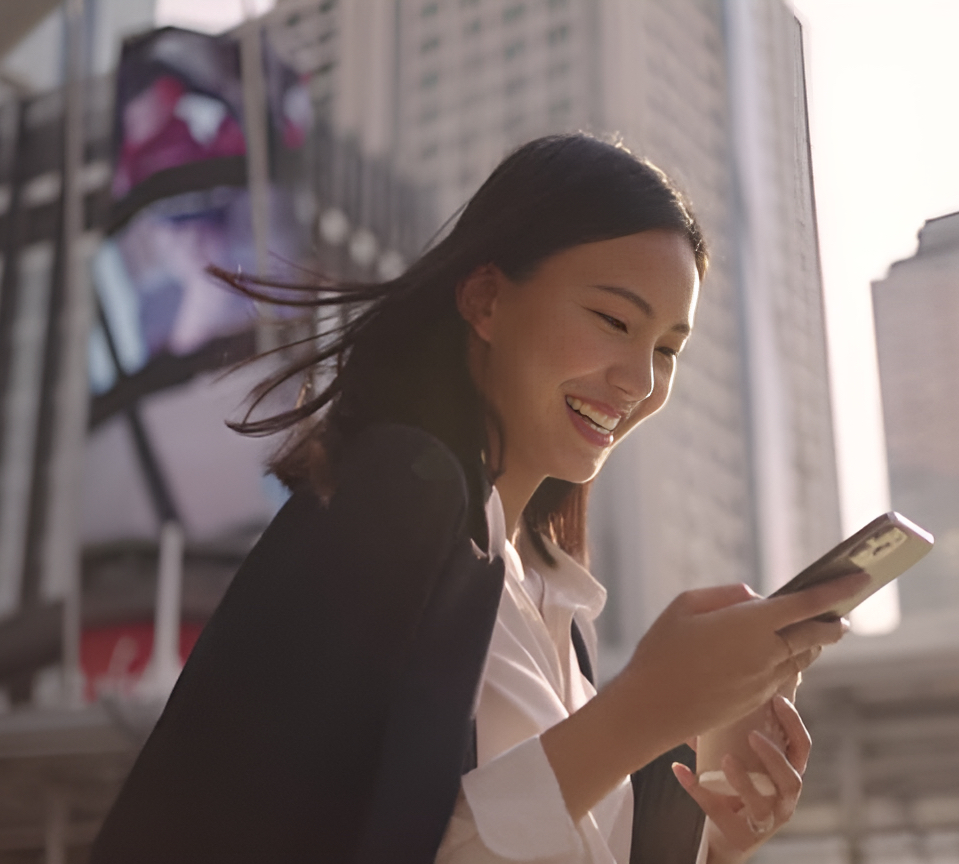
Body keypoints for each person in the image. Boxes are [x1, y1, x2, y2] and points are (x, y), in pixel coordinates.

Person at [89, 133, 863, 864]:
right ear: (486, 301)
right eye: (613, 320)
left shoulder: (555, 602)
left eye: (666, 349)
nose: (640, 382)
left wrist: (712, 821)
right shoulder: (399, 494)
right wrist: (641, 713)